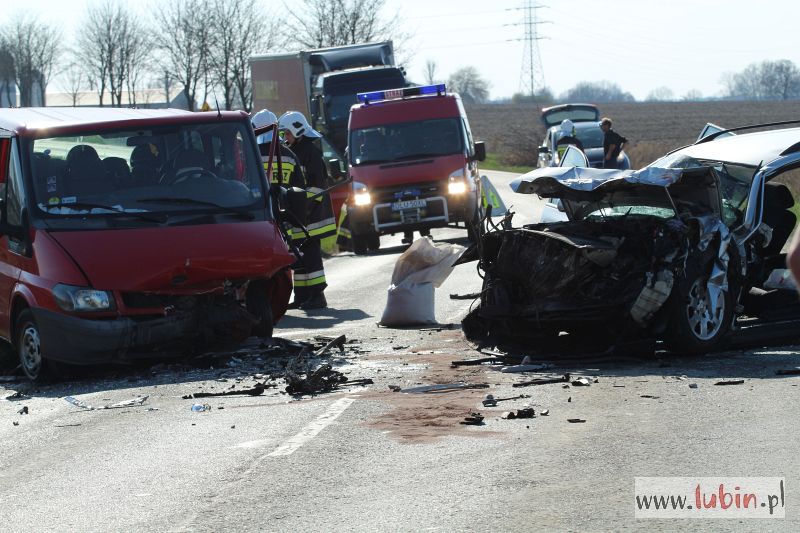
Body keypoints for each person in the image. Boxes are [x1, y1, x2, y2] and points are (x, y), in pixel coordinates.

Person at [278, 110, 337, 310]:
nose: (285, 138)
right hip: (301, 216)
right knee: (300, 256)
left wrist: (302, 208)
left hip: (313, 216)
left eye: (286, 134)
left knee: (311, 256)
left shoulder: (310, 153)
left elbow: (315, 188)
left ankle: (318, 296)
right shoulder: (295, 152)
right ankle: (302, 296)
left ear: (298, 131)